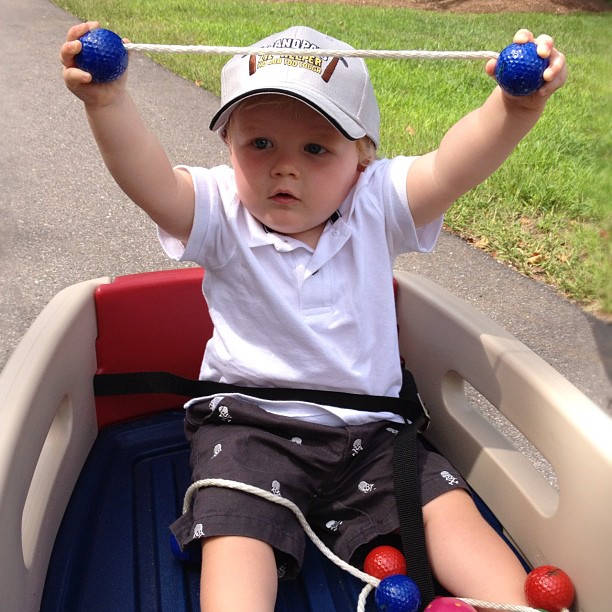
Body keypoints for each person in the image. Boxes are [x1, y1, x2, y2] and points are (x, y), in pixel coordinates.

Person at [61, 22, 566, 611]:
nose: (284, 168)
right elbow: (148, 180)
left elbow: (453, 165)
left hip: (372, 430)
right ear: (229, 146)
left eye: (316, 148)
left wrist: (513, 107)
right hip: (249, 427)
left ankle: (516, 605)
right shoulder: (220, 212)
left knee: (443, 504)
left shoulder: (375, 205)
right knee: (236, 528)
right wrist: (108, 101)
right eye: (260, 144)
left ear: (362, 157)